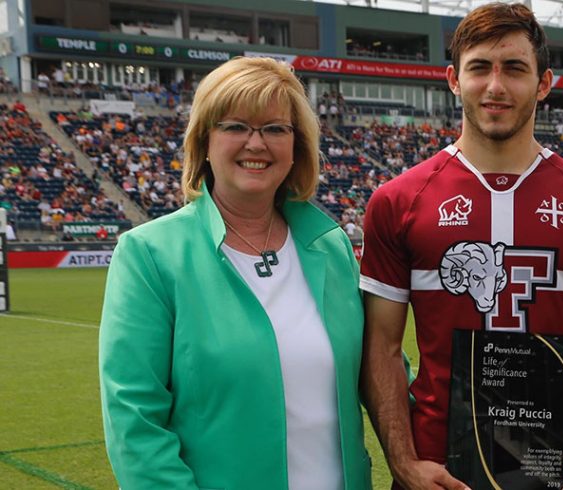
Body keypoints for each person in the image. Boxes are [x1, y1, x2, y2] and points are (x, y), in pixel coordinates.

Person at [359, 3, 563, 489]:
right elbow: (381, 344)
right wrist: (401, 461)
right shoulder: (397, 201)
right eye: (480, 67)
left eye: (515, 69)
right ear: (454, 80)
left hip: (553, 473)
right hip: (434, 473)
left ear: (544, 83)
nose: (496, 86)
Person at [99, 57, 370, 489]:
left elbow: (381, 370)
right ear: (204, 141)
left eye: (275, 129)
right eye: (235, 126)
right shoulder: (149, 254)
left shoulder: (330, 245)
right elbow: (134, 422)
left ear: (296, 145)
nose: (256, 143)